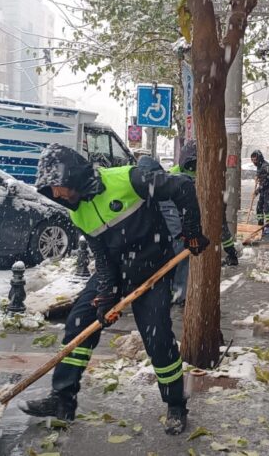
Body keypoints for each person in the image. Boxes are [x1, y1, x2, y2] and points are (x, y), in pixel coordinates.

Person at [22, 144, 210, 434]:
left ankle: (175, 404)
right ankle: (62, 398)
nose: (57, 195)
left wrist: (192, 232)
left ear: (73, 176)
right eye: (52, 190)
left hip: (152, 270)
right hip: (116, 271)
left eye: (59, 187)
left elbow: (183, 186)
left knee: (158, 338)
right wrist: (105, 297)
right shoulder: (78, 214)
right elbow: (102, 259)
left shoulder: (128, 179)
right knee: (79, 323)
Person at [171, 140, 240, 266]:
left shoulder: (181, 171)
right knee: (220, 227)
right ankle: (230, 253)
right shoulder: (186, 170)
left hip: (204, 202)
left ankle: (230, 254)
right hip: (195, 203)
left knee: (220, 226)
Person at [137, 155, 188, 306]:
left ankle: (177, 293)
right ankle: (176, 292)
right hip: (158, 236)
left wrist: (180, 237)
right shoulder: (157, 185)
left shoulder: (159, 188)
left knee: (180, 253)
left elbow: (173, 223)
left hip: (164, 235)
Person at [250, 150, 269, 245]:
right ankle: (260, 226)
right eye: (252, 160)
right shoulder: (260, 165)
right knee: (259, 208)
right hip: (264, 190)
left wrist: (257, 191)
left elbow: (266, 182)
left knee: (267, 209)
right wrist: (257, 176)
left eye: (255, 159)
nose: (253, 162)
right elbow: (260, 175)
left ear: (259, 158)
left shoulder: (266, 167)